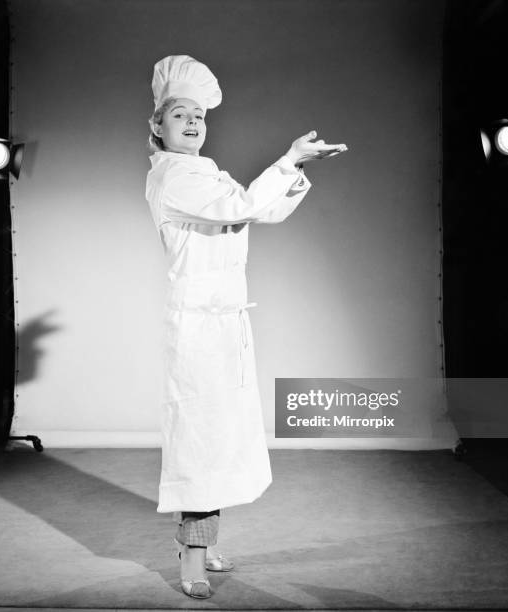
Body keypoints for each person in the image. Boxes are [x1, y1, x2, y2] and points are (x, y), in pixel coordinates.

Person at [144, 54, 347, 599]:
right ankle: (190, 553)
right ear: (156, 126)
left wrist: (296, 168)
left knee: (225, 439)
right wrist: (287, 159)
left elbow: (266, 211)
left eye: (200, 116)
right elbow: (243, 205)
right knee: (199, 443)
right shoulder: (172, 176)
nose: (193, 123)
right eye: (180, 114)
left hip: (225, 323)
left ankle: (206, 545)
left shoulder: (206, 171)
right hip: (196, 326)